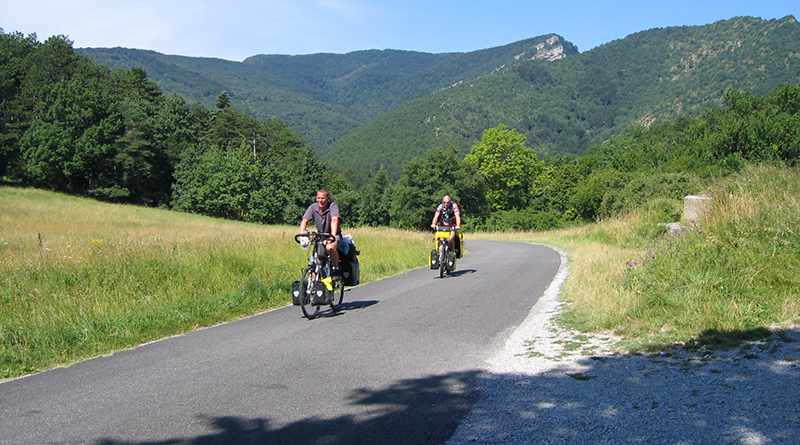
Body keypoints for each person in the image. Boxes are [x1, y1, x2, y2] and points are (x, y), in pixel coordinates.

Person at [298, 188, 341, 273]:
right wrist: (302, 233)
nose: (320, 200)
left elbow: (334, 220)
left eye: (322, 198)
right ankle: (314, 280)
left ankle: (336, 269)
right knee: (315, 257)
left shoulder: (332, 206)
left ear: (327, 198)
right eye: (318, 198)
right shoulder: (313, 207)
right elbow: (304, 220)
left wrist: (331, 237)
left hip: (334, 235)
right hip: (321, 235)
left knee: (330, 248)